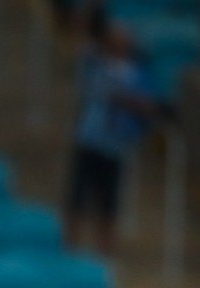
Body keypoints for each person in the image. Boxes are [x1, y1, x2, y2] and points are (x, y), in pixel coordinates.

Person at [64, 23, 156, 255]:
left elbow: (148, 107)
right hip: (90, 139)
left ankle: (104, 250)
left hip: (115, 145)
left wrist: (126, 101)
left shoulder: (136, 75)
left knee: (108, 202)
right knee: (77, 196)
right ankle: (70, 247)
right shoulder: (95, 67)